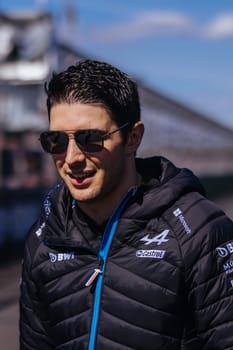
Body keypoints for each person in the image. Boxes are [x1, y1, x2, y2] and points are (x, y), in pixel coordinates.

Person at [19, 59, 233, 350]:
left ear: (133, 138)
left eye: (90, 139)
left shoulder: (199, 232)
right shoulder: (45, 238)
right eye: (56, 140)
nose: (71, 158)